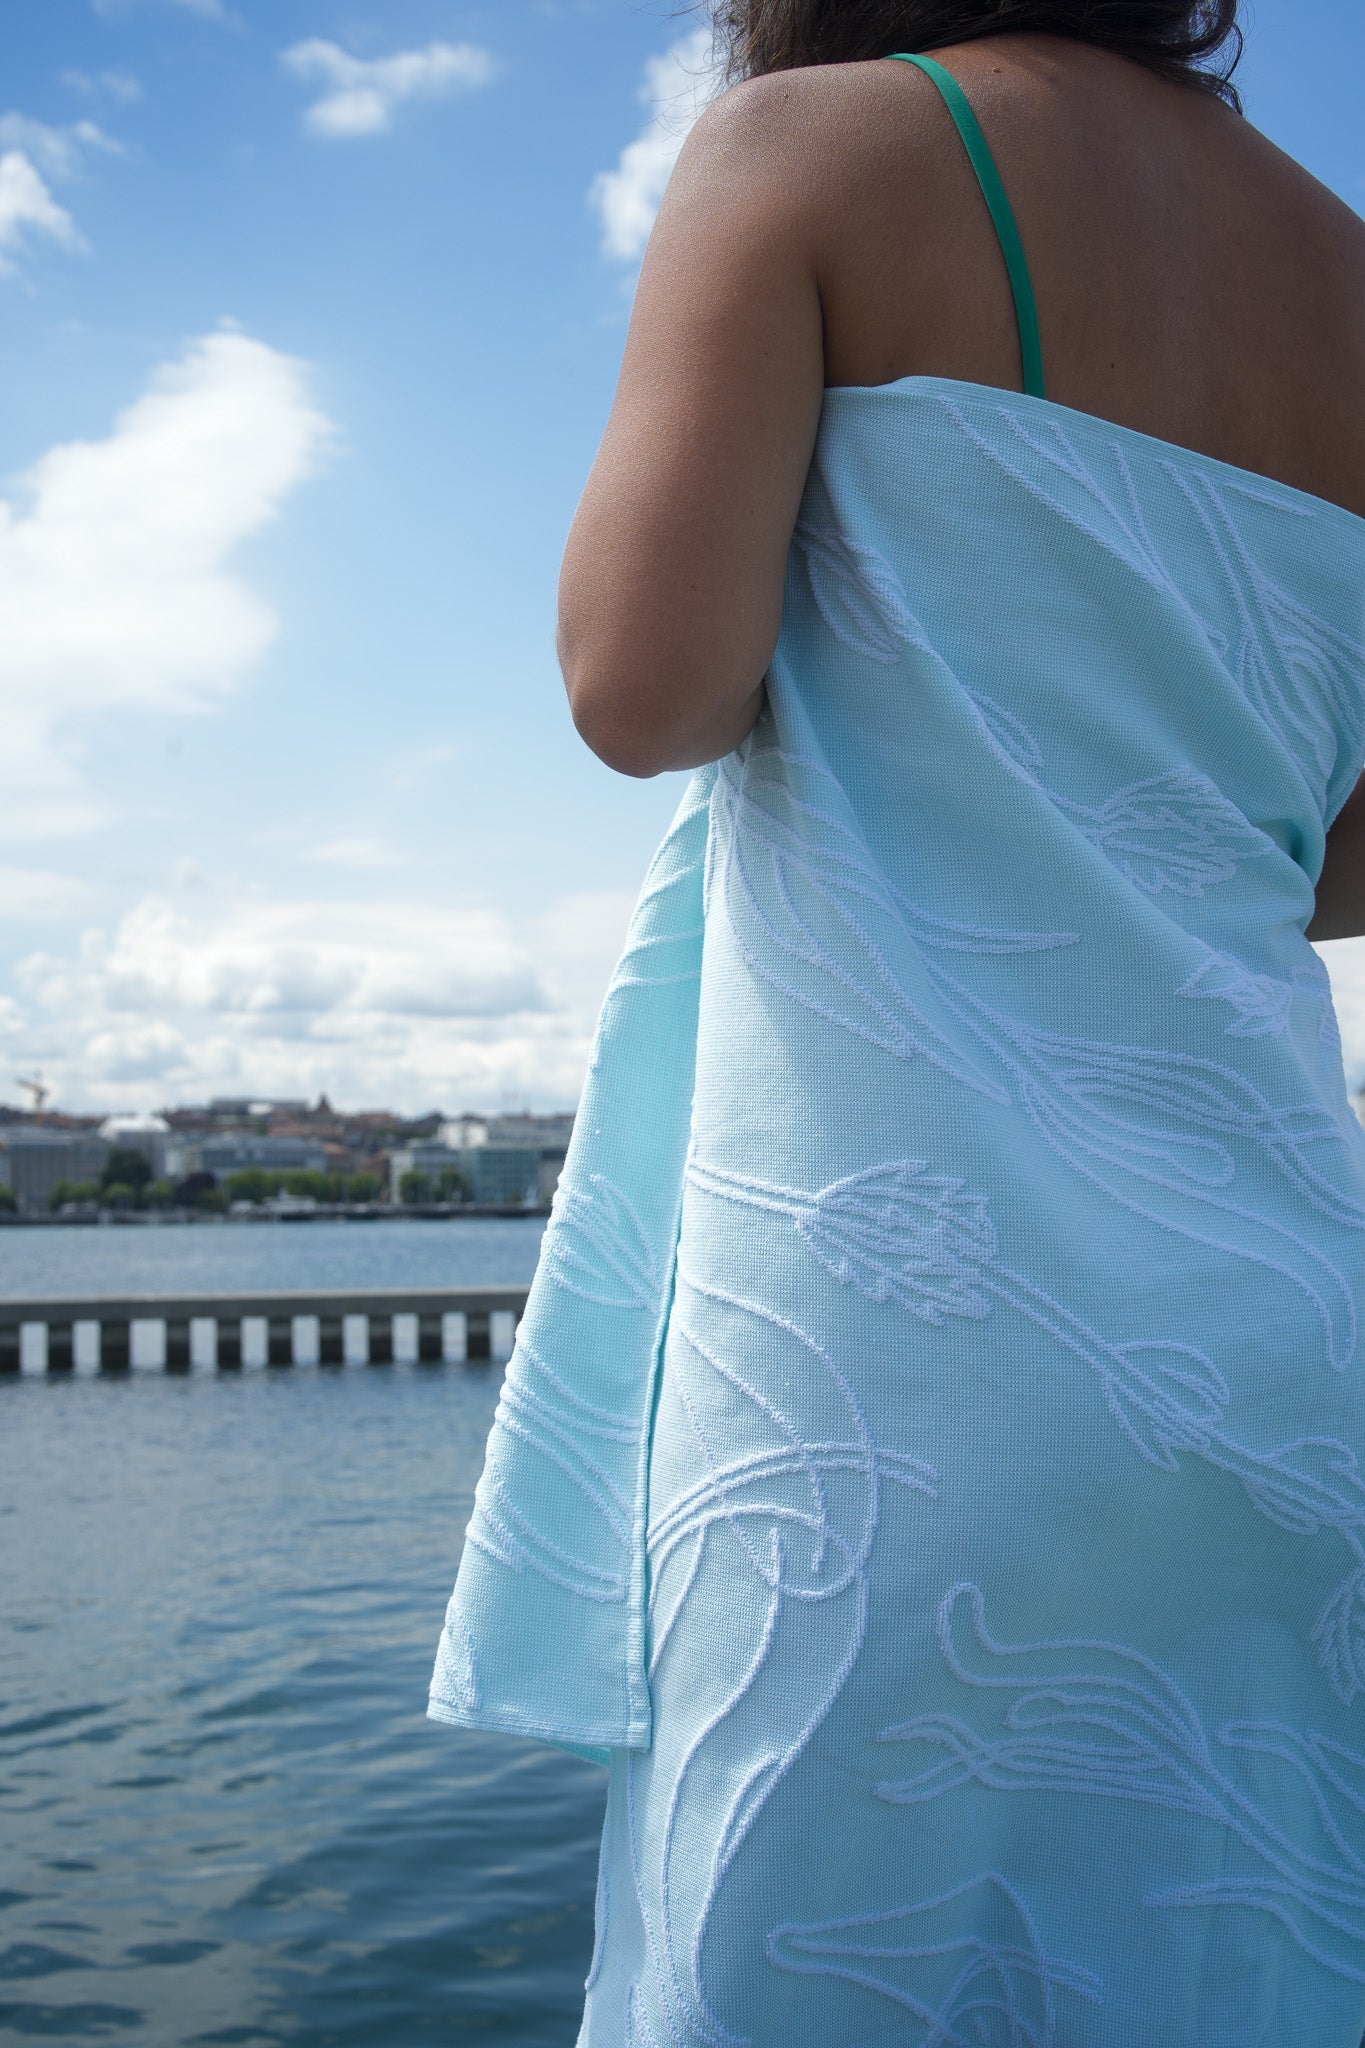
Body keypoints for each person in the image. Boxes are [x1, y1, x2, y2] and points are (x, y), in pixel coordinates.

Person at [430, 2, 1365, 2039]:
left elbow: (638, 685)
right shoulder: (1342, 264)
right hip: (1280, 1331)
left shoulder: (815, 151)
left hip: (904, 1349)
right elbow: (1342, 853)